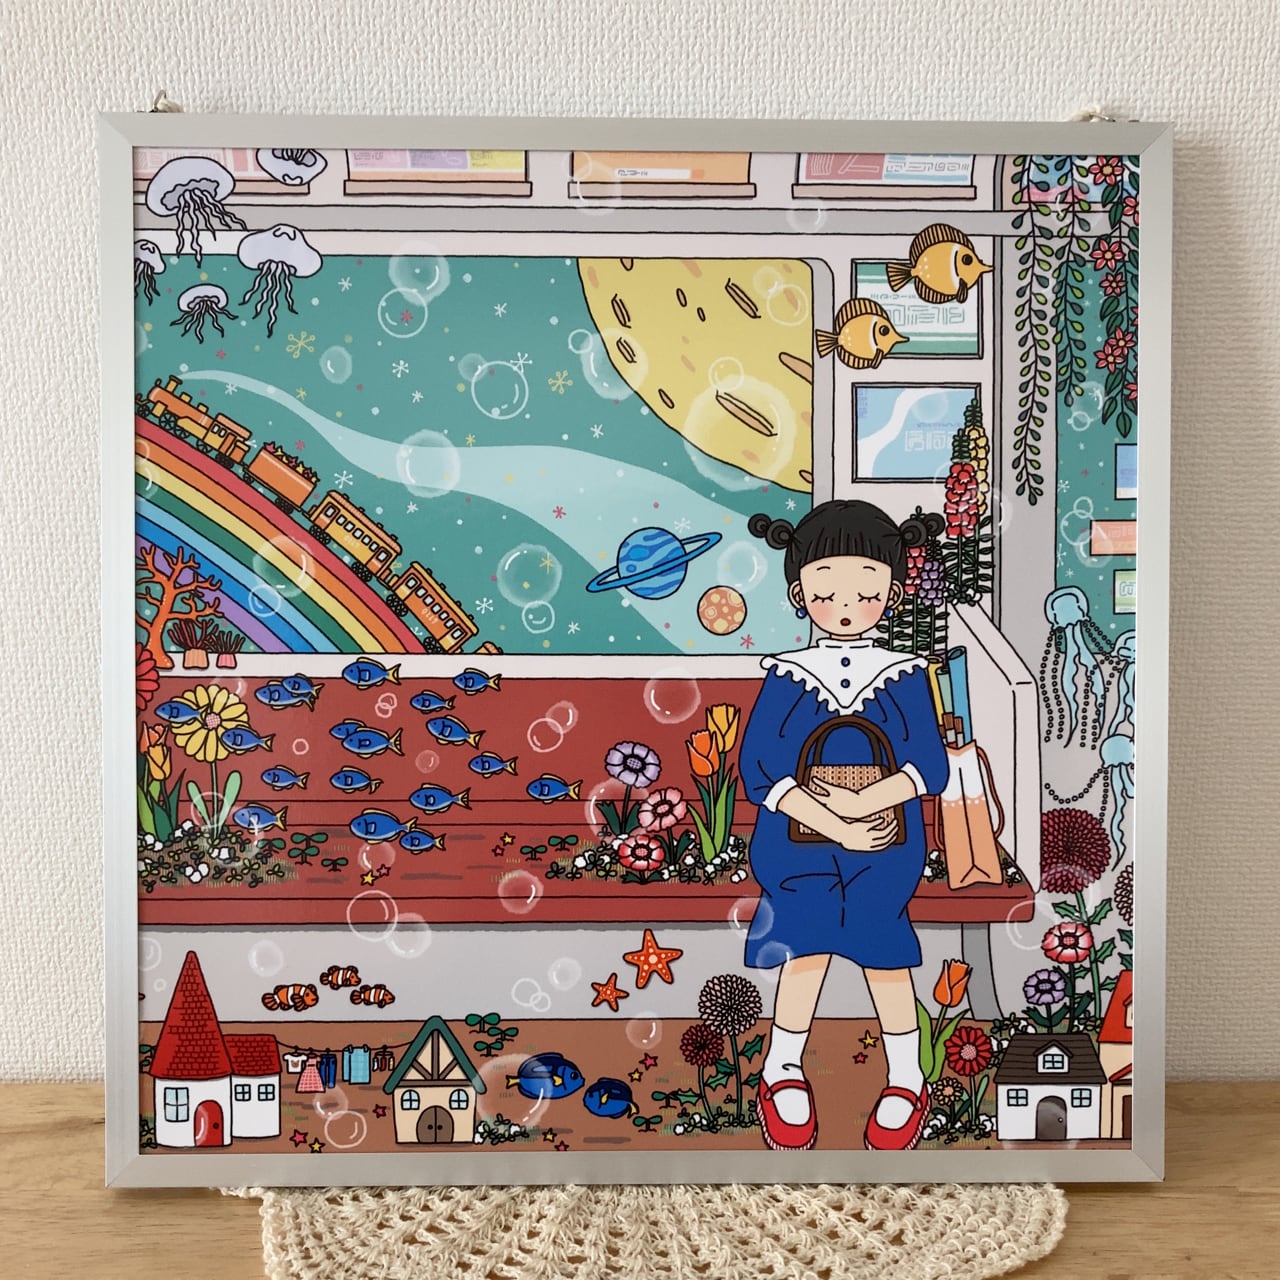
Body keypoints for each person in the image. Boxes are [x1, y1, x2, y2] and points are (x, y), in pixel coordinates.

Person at [739, 500, 949, 1152]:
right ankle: (782, 1067)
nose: (849, 605)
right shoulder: (789, 676)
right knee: (804, 947)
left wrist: (866, 807)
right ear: (800, 595)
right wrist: (832, 820)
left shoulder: (903, 674)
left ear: (893, 592)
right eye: (828, 591)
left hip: (884, 848)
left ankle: (907, 1076)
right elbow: (760, 769)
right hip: (796, 845)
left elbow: (928, 765)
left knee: (883, 950)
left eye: (867, 590)